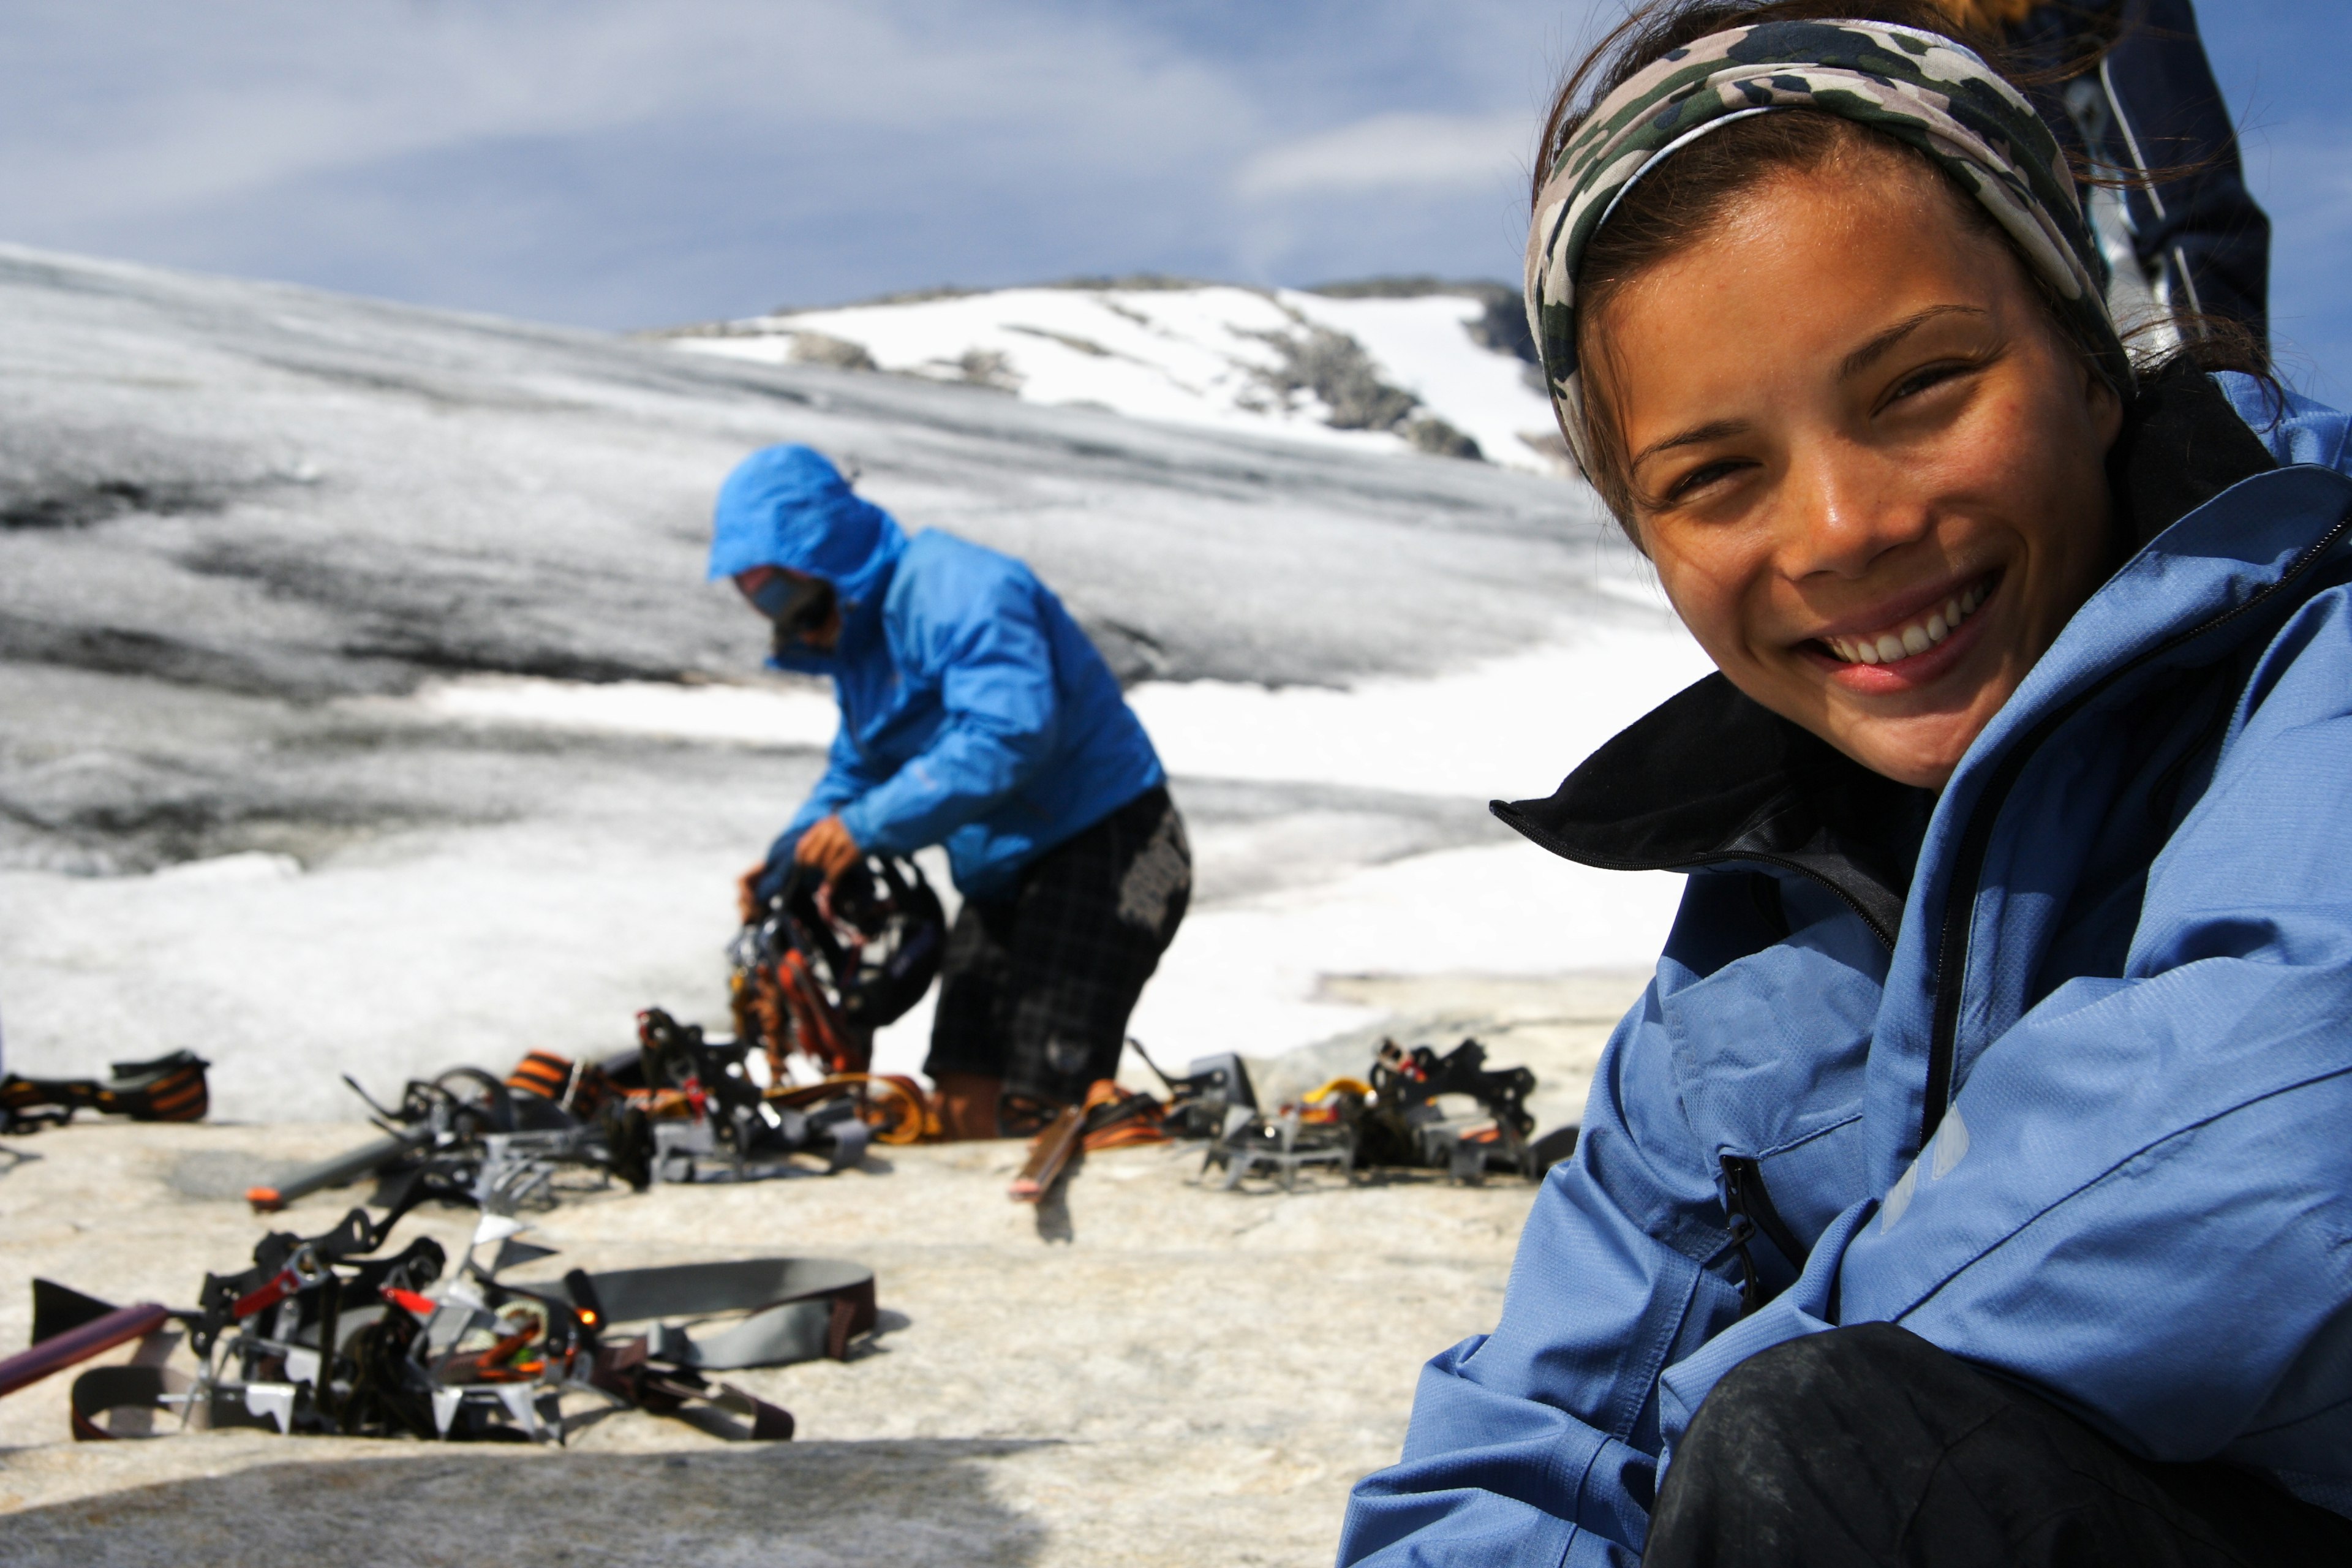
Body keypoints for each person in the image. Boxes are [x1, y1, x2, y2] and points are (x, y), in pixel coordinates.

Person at [1338, 2, 2352, 1564]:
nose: (1836, 529)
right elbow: (1549, 1428)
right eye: (1714, 476)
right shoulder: (1757, 937)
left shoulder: (2317, 649)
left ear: (2087, 364)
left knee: (1817, 1452)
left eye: (1919, 387)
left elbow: (2266, 1158)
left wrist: (1720, 1464)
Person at [709, 445, 1190, 1139]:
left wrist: (863, 829)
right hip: (1009, 871)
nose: (774, 611)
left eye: (775, 589)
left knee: (1043, 1097)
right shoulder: (864, 640)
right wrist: (798, 851)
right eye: (755, 597)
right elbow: (859, 766)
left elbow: (1011, 731)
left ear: (821, 548)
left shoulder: (959, 588)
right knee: (967, 1090)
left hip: (1121, 845)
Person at [1932, 0, 2271, 352]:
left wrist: (2219, 371)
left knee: (2192, 204)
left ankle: (2215, 376)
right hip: (2086, 369)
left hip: (2175, 359)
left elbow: (2199, 206)